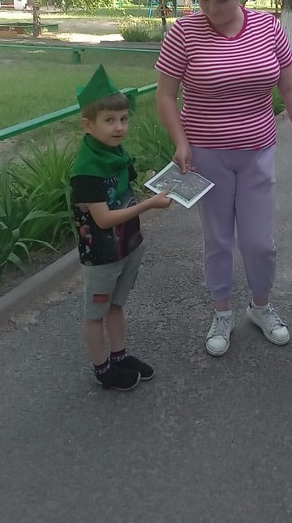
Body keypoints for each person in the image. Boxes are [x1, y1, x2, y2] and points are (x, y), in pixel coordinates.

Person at [156, 0, 292, 357]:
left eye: (222, 0)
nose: (211, 10)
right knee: (219, 239)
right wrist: (180, 141)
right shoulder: (184, 33)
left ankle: (260, 306)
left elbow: (290, 88)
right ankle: (221, 311)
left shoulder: (268, 28)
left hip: (257, 151)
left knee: (260, 242)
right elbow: (166, 95)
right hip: (206, 156)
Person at [70, 64, 173, 391]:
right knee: (95, 313)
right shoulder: (87, 169)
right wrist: (149, 205)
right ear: (88, 125)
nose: (119, 127)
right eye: (109, 120)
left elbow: (126, 192)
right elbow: (102, 219)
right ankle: (103, 370)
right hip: (102, 254)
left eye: (124, 119)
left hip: (126, 245)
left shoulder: (116, 154)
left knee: (116, 305)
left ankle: (119, 355)